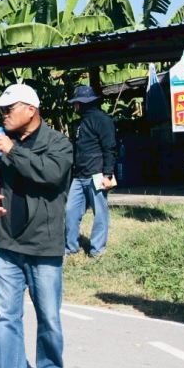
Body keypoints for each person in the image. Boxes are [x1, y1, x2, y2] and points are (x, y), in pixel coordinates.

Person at [0, 83, 73, 368]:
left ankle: (50, 367)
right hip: (7, 241)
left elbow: (50, 175)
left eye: (9, 109)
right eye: (1, 110)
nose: (3, 115)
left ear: (31, 110)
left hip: (44, 244)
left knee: (48, 314)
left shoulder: (58, 143)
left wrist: (11, 151)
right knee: (7, 315)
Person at [64, 85, 117, 258]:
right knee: (71, 211)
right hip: (79, 176)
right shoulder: (79, 123)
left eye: (76, 103)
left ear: (82, 103)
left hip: (97, 175)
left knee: (100, 214)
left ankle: (97, 249)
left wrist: (108, 175)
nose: (75, 107)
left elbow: (109, 149)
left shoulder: (102, 120)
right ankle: (70, 248)